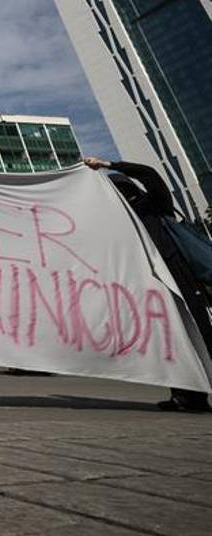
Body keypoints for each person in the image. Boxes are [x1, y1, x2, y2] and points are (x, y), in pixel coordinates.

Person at [84, 156, 212, 413]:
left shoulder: (155, 206)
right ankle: (187, 396)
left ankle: (192, 394)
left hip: (179, 279)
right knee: (172, 339)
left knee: (199, 333)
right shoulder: (120, 222)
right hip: (152, 288)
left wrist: (109, 165)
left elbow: (149, 173)